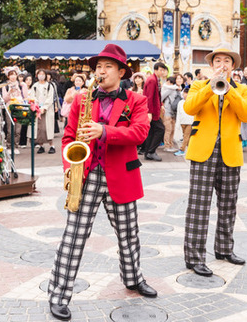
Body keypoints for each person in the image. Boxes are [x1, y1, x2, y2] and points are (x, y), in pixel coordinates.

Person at [48, 44, 156, 321]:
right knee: (73, 238)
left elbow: (140, 133)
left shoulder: (136, 100)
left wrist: (104, 131)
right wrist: (70, 167)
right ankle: (58, 295)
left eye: (108, 66)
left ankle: (133, 279)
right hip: (86, 174)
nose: (101, 71)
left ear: (121, 72)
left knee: (128, 234)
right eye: (98, 67)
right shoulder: (83, 99)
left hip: (121, 174)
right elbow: (68, 136)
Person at [183, 45, 247, 277]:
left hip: (230, 152)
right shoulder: (198, 85)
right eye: (217, 62)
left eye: (226, 61)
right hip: (203, 151)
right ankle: (194, 257)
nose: (222, 65)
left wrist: (230, 89)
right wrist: (210, 86)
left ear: (233, 67)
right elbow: (189, 107)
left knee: (228, 205)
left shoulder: (243, 89)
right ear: (211, 66)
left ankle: (224, 249)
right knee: (198, 207)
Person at [143, 62, 168, 161]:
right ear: (156, 70)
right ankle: (151, 151)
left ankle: (148, 153)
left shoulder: (155, 79)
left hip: (155, 109)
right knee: (161, 129)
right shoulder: (152, 80)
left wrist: (161, 105)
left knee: (152, 131)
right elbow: (149, 97)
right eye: (161, 70)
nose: (162, 72)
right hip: (152, 111)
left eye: (163, 70)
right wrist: (149, 112)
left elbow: (157, 95)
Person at [2, 67, 29, 154]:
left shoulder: (21, 85)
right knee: (10, 129)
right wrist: (10, 91)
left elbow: (25, 96)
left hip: (19, 107)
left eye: (14, 74)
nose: (13, 76)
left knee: (18, 129)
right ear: (8, 76)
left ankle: (16, 146)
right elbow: (4, 99)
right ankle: (9, 146)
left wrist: (22, 88)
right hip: (10, 107)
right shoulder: (5, 86)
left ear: (17, 75)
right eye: (10, 75)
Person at [32, 69, 56, 154]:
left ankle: (51, 145)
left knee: (48, 128)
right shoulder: (35, 85)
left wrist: (44, 107)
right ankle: (41, 145)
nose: (41, 76)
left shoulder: (50, 85)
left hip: (47, 109)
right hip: (37, 109)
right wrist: (36, 105)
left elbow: (50, 98)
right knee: (39, 128)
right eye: (39, 74)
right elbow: (32, 96)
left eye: (43, 74)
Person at [161, 75, 182, 152]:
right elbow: (161, 97)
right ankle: (167, 146)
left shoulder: (177, 90)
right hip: (167, 112)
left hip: (174, 112)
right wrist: (163, 106)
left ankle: (170, 145)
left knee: (172, 129)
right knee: (168, 129)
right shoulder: (170, 89)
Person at [174, 87, 193, 156]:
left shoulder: (192, 101)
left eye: (188, 93)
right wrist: (178, 123)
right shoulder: (180, 102)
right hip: (182, 122)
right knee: (186, 137)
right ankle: (190, 150)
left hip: (190, 122)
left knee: (186, 136)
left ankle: (182, 150)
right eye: (185, 93)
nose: (186, 95)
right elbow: (178, 113)